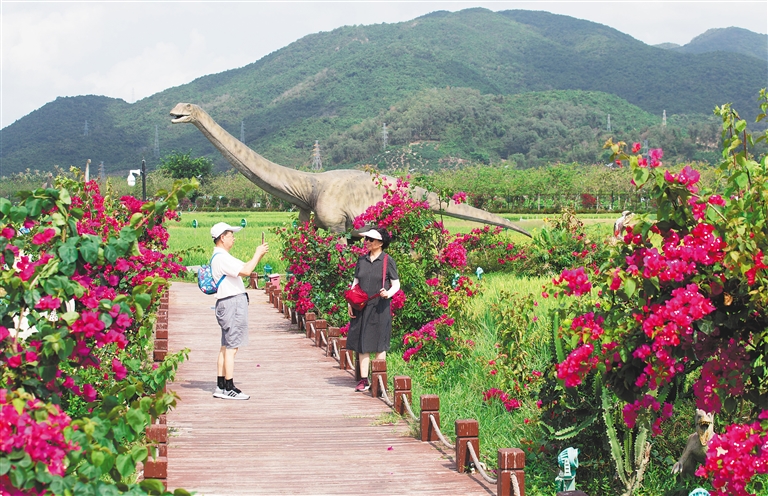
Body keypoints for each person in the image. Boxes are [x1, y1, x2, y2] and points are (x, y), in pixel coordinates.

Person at [209, 221, 268, 400]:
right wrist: (258, 254)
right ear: (222, 238)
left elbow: (244, 267)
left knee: (226, 345)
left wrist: (258, 255)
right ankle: (229, 387)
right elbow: (247, 271)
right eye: (230, 235)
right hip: (232, 304)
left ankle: (221, 385)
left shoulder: (220, 256)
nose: (233, 238)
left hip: (227, 304)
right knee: (232, 348)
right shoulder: (222, 257)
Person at [346, 227, 400, 392]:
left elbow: (396, 284)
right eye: (366, 239)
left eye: (370, 239)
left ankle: (378, 380)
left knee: (379, 344)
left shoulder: (387, 261)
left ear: (380, 243)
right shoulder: (361, 260)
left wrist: (388, 293)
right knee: (362, 342)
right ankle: (364, 380)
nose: (366, 242)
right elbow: (355, 283)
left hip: (380, 307)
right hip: (361, 306)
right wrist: (350, 302)